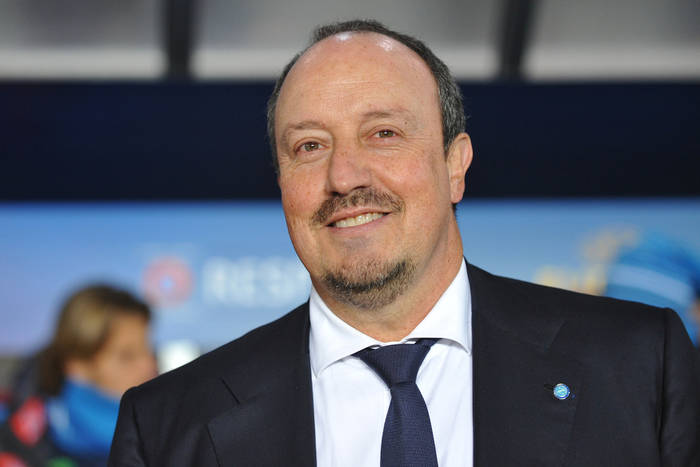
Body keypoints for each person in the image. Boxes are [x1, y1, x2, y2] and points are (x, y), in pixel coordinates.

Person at [108, 20, 699, 467]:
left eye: (383, 133)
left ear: (455, 165)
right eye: (310, 146)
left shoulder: (640, 365)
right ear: (281, 181)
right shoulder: (166, 426)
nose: (345, 177)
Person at [0, 284, 157, 467]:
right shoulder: (19, 444)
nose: (149, 365)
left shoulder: (169, 428)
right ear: (77, 366)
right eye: (127, 356)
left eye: (149, 349)